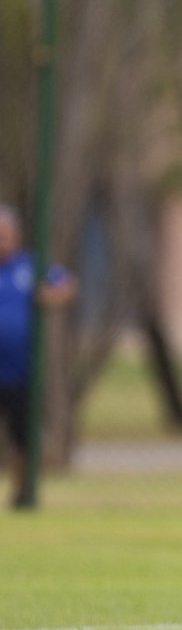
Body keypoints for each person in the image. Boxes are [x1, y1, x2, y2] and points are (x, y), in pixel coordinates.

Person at [0, 206, 77, 509]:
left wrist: (50, 296)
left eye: (6, 235)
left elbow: (66, 284)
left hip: (20, 372)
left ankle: (22, 496)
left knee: (22, 437)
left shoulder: (29, 267)